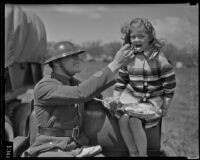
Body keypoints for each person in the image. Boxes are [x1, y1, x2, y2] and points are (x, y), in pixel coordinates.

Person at [22, 40, 135, 157]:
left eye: (77, 55)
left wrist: (107, 102)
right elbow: (81, 93)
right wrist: (115, 63)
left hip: (76, 146)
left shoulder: (73, 83)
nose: (77, 59)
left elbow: (91, 95)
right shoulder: (44, 87)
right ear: (56, 63)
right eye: (71, 56)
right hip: (50, 148)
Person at [106, 18, 176, 157]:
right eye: (133, 36)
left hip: (152, 99)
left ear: (150, 38)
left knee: (134, 121)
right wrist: (116, 98)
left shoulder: (159, 59)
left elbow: (169, 83)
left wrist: (166, 105)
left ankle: (142, 154)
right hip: (133, 96)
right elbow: (122, 80)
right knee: (123, 119)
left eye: (141, 36)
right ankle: (133, 152)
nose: (136, 39)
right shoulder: (129, 58)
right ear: (128, 38)